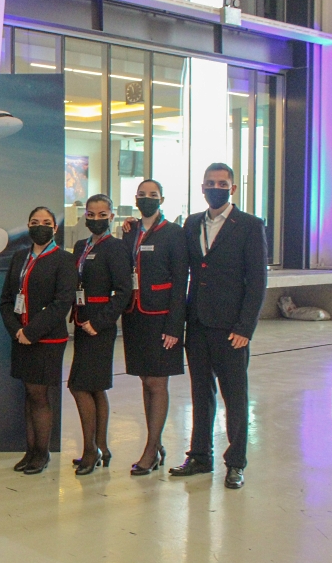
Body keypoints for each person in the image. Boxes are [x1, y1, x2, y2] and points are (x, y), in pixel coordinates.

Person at [170, 163, 267, 489]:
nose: (216, 188)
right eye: (210, 183)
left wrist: (245, 327)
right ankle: (200, 456)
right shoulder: (192, 223)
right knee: (201, 393)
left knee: (235, 397)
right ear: (202, 188)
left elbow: (257, 282)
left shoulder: (250, 225)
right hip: (197, 323)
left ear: (232, 189)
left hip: (231, 329)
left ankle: (236, 463)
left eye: (222, 184)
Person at [0, 206, 77, 475]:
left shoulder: (64, 260)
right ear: (28, 226)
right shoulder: (19, 257)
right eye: (34, 221)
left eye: (46, 222)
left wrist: (31, 332)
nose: (40, 226)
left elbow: (62, 303)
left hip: (47, 340)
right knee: (29, 394)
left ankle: (42, 454)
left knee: (40, 395)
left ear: (55, 228)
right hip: (20, 338)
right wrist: (17, 331)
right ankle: (30, 451)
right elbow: (6, 300)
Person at [121, 180, 188, 476]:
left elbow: (180, 281)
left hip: (162, 317)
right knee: (145, 381)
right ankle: (156, 444)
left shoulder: (174, 233)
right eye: (142, 195)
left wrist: (175, 326)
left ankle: (151, 449)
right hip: (135, 315)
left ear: (162, 199)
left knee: (157, 383)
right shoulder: (130, 231)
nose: (147, 199)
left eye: (153, 195)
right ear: (135, 198)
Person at [67, 194, 132, 476]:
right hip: (82, 323)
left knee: (79, 386)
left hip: (99, 327)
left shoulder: (116, 248)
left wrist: (101, 322)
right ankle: (102, 447)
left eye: (102, 215)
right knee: (95, 387)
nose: (96, 219)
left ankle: (90, 451)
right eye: (91, 215)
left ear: (111, 216)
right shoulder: (81, 246)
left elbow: (123, 291)